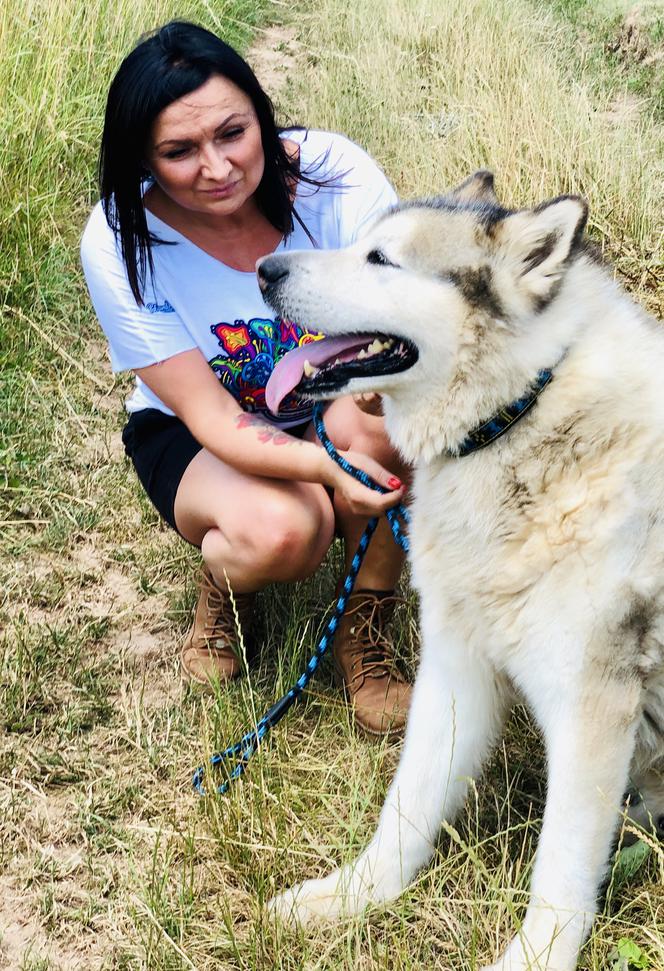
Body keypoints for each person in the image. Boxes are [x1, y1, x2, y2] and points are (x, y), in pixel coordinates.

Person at [81, 20, 412, 734]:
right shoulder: (118, 239)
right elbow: (208, 415)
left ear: (260, 116)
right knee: (289, 530)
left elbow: (398, 313)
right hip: (196, 429)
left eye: (232, 133)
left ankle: (365, 634)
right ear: (141, 156)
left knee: (394, 430)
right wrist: (323, 465)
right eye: (178, 151)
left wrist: (387, 410)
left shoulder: (336, 174)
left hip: (337, 386)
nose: (217, 166)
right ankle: (227, 590)